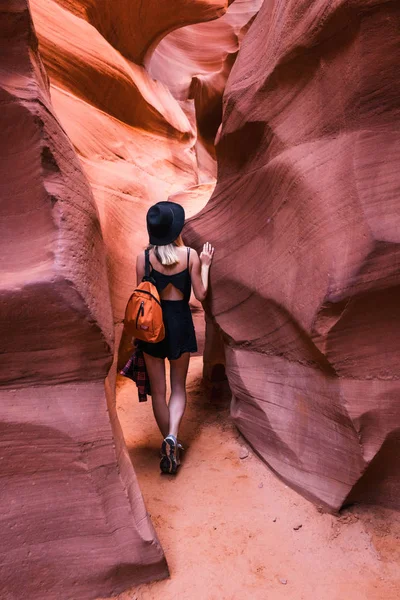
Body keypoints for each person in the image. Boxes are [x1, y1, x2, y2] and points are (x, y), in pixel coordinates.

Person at [136, 201, 214, 474]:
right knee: (178, 387)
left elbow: (143, 296)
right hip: (180, 324)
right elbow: (201, 295)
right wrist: (205, 265)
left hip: (152, 329)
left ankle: (169, 441)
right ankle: (172, 436)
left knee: (159, 391)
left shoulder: (143, 258)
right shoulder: (190, 255)